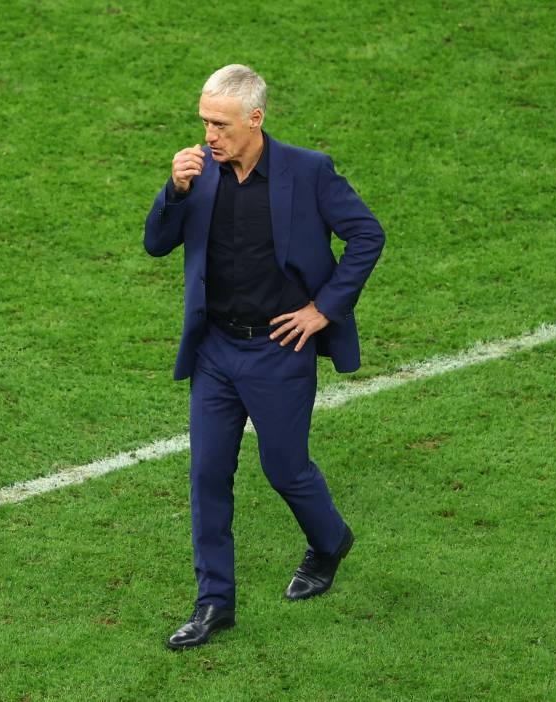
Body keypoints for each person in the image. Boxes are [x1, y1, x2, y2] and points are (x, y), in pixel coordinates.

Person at [144, 64, 385, 650]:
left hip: (280, 348)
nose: (209, 136)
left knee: (284, 468)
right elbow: (156, 242)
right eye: (204, 122)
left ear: (255, 118)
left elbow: (366, 235)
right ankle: (214, 603)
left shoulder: (308, 171)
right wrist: (172, 191)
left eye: (220, 124)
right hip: (216, 350)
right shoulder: (197, 172)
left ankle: (329, 542)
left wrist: (323, 309)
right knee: (207, 476)